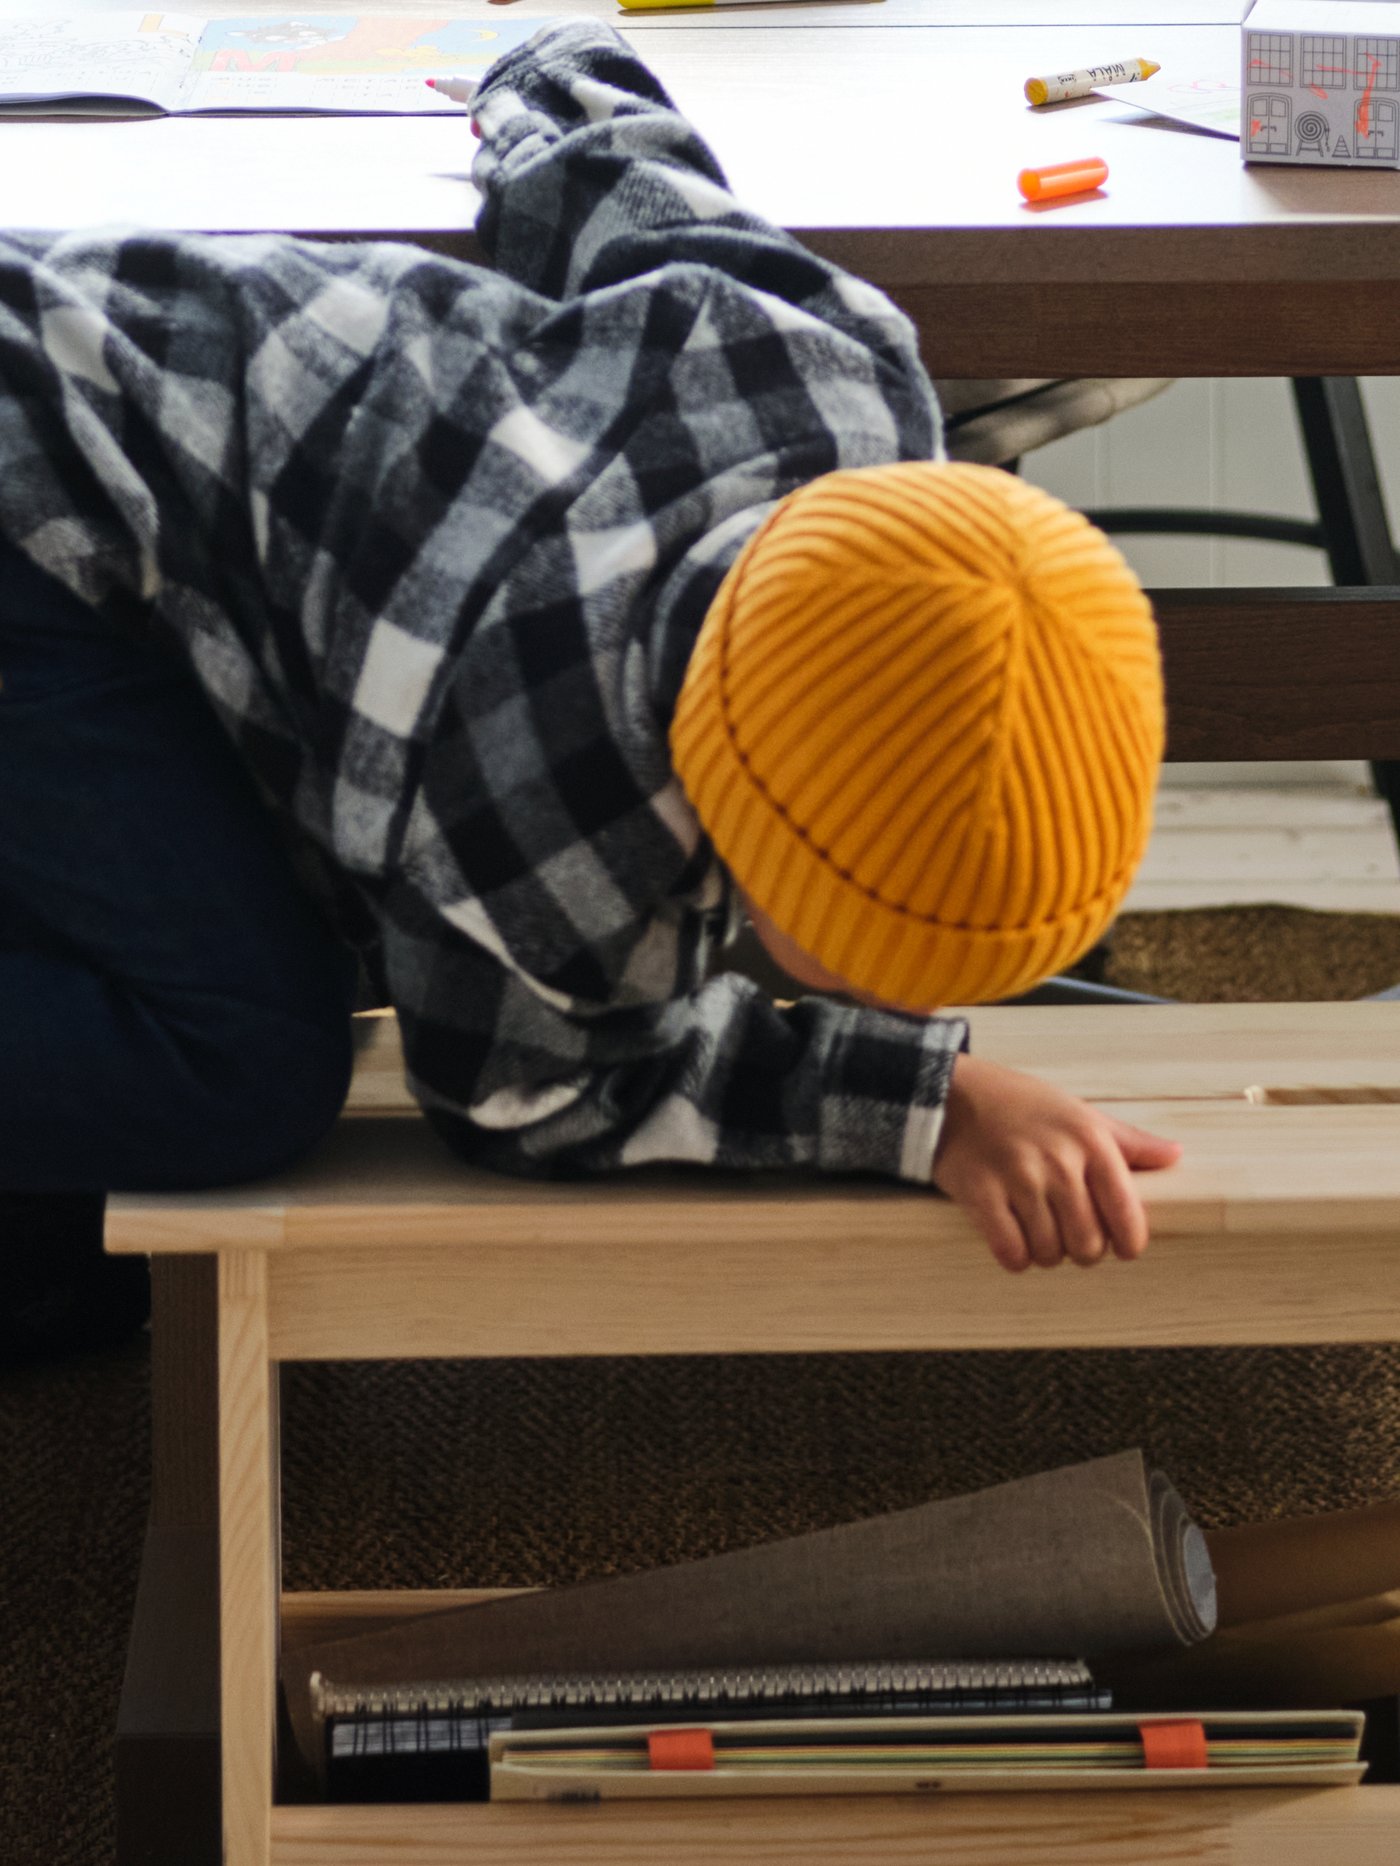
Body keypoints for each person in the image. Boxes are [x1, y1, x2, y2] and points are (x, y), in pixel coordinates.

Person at [0, 20, 1180, 1359]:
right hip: (34, 533)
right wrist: (921, 1106)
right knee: (246, 1064)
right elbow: (516, 1088)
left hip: (98, 386)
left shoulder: (837, 383)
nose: (902, 1000)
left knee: (231, 921)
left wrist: (547, 70)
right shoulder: (546, 780)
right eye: (853, 947)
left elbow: (631, 179)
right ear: (726, 777)